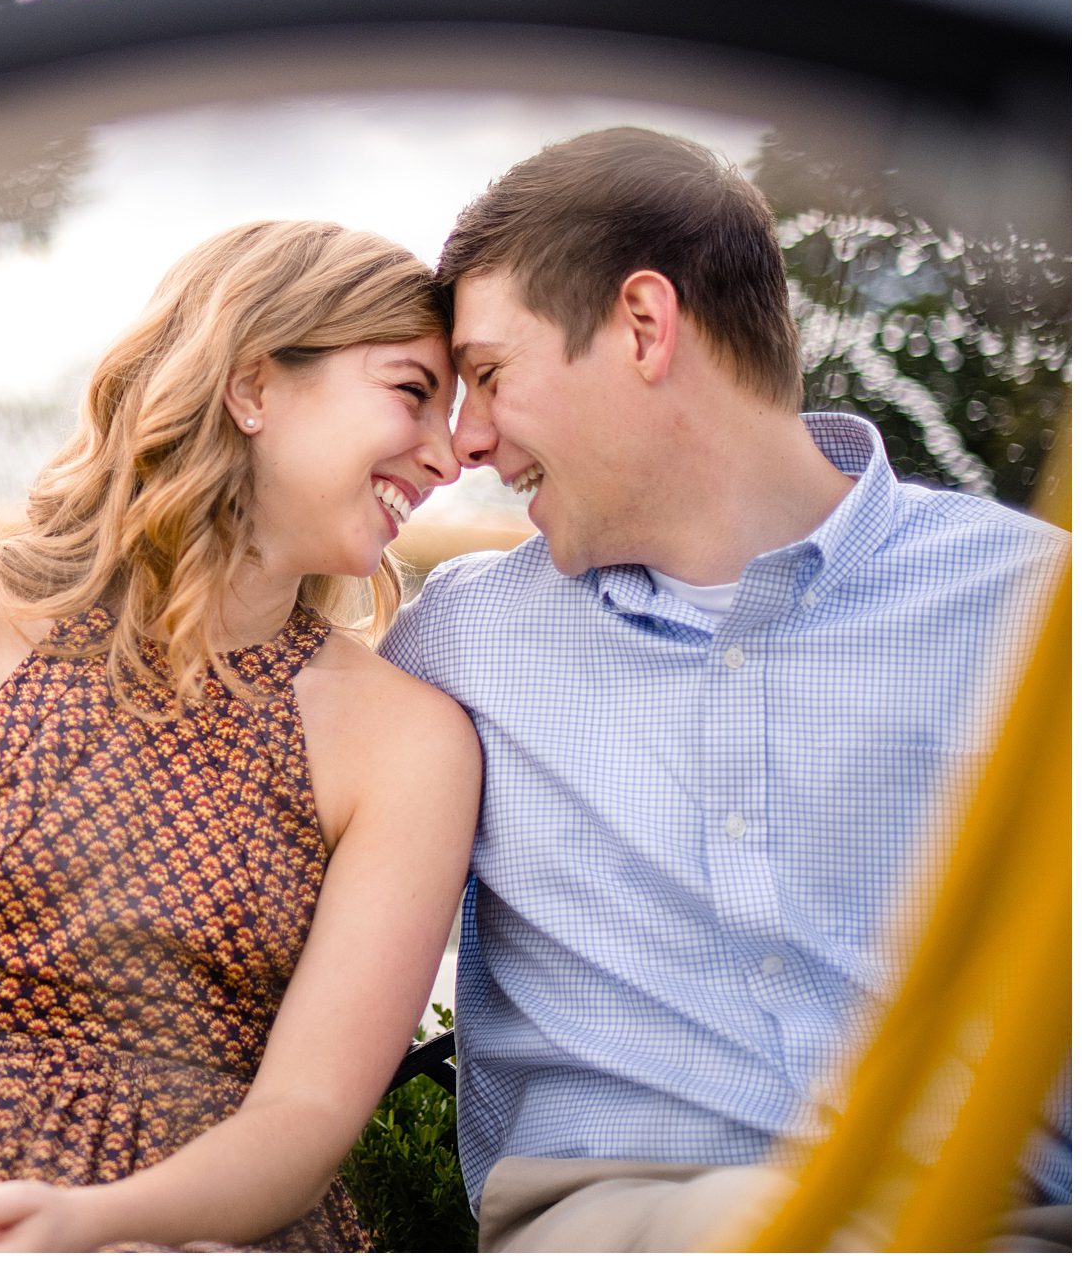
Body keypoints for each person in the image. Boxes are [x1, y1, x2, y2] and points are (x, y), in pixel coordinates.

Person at [378, 126, 1071, 1251]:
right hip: (630, 1231)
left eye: (491, 376)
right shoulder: (457, 644)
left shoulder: (1042, 615)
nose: (468, 441)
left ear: (645, 326)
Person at [0, 220, 477, 1253]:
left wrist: (93, 1227)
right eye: (412, 391)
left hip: (211, 1229)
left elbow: (305, 1117)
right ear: (253, 384)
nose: (449, 454)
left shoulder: (410, 740)